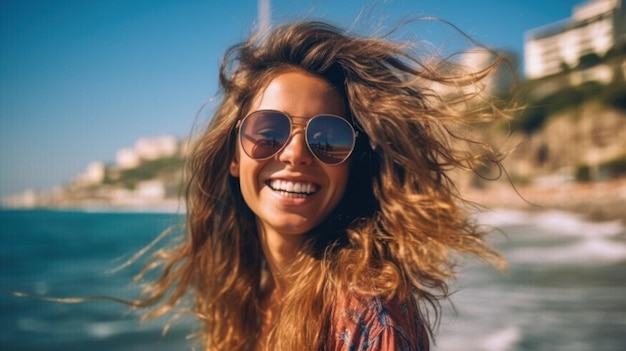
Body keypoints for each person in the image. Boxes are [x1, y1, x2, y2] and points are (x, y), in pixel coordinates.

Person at [137, 20, 510, 351]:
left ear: (352, 166)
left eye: (328, 138)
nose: (296, 154)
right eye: (268, 133)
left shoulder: (366, 317)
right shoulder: (251, 296)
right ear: (234, 156)